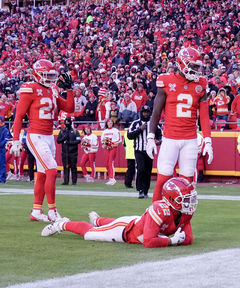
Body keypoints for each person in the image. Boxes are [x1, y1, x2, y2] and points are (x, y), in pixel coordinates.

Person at [42, 177, 197, 248]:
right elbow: (149, 242)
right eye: (185, 199)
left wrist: (178, 240)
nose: (189, 203)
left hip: (141, 224)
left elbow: (189, 239)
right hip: (126, 232)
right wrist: (171, 241)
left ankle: (98, 220)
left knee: (114, 222)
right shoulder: (159, 210)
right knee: (89, 233)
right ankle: (61, 224)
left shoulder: (184, 211)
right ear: (171, 198)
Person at [9, 59, 75, 222]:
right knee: (52, 169)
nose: (50, 78)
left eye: (52, 75)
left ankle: (36, 211)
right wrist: (15, 139)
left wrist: (70, 90)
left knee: (43, 173)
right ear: (37, 74)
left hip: (49, 135)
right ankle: (52, 210)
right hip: (35, 134)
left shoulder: (53, 89)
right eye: (46, 75)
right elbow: (18, 116)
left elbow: (69, 109)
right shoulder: (30, 88)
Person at [146, 48, 214, 202]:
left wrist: (208, 140)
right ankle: (154, 216)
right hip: (170, 138)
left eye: (198, 66)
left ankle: (183, 221)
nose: (197, 70)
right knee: (163, 179)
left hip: (190, 139)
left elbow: (204, 115)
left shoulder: (201, 84)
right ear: (182, 63)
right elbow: (156, 112)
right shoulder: (166, 80)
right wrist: (150, 136)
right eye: (194, 66)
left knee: (187, 184)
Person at [127, 105, 160, 199]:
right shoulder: (135, 123)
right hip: (139, 150)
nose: (145, 114)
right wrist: (139, 129)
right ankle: (140, 190)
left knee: (148, 171)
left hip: (149, 151)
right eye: (144, 112)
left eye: (147, 112)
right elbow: (129, 135)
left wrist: (159, 141)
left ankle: (146, 191)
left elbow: (160, 134)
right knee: (140, 168)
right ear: (141, 113)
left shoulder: (153, 123)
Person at [56, 117, 81, 186]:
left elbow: (78, 140)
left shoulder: (75, 131)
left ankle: (74, 181)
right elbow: (58, 141)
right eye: (66, 123)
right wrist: (64, 138)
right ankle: (65, 181)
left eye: (68, 123)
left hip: (73, 152)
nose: (67, 124)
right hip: (64, 152)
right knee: (65, 166)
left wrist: (70, 142)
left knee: (73, 167)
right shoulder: (62, 131)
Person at [100, 118, 122, 185]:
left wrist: (112, 143)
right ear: (106, 123)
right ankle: (110, 177)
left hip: (113, 147)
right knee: (106, 163)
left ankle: (112, 178)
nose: (110, 122)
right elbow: (102, 140)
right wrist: (104, 144)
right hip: (107, 148)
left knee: (110, 162)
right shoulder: (105, 131)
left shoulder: (115, 130)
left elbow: (119, 139)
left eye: (111, 121)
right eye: (109, 121)